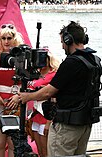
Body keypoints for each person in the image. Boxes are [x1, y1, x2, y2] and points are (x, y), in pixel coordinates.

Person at [17, 21, 99, 156]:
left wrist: (28, 97)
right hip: (85, 124)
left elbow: (50, 91)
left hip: (67, 126)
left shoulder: (71, 62)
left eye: (62, 42)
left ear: (68, 40)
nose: (62, 46)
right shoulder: (95, 60)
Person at [0, 23, 24, 157]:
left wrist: (18, 97)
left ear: (15, 38)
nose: (6, 41)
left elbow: (29, 82)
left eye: (9, 38)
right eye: (3, 38)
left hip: (16, 104)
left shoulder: (22, 57)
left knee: (14, 143)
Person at [27, 50, 60, 157]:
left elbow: (55, 99)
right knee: (40, 152)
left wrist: (49, 122)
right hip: (36, 116)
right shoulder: (36, 74)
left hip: (46, 117)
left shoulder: (54, 74)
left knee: (47, 152)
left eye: (43, 58)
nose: (41, 61)